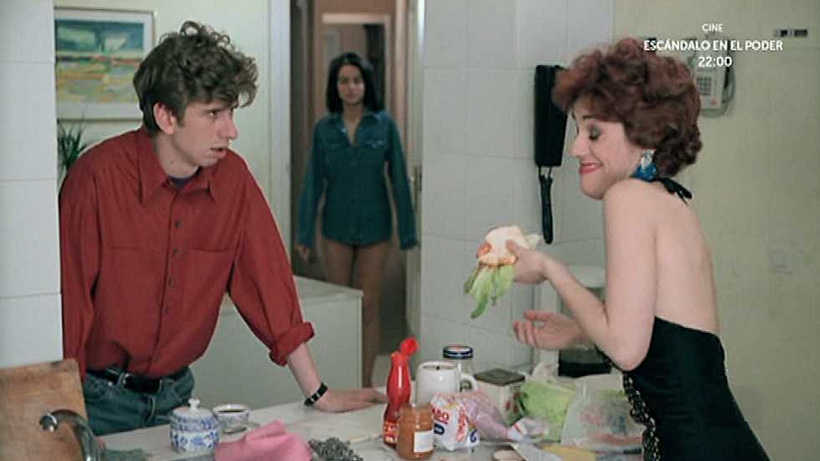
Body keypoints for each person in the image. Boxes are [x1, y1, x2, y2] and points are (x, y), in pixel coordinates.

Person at [59, 21, 383, 436]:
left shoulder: (233, 180)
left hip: (178, 399)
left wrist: (319, 392)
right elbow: (68, 309)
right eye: (213, 113)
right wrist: (65, 419)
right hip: (95, 400)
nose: (231, 130)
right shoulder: (96, 179)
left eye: (230, 112)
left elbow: (269, 285)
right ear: (166, 116)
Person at [506, 38, 769, 460]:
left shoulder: (627, 197)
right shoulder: (668, 199)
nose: (575, 148)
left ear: (645, 133)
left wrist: (550, 269)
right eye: (576, 130)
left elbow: (626, 348)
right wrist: (580, 331)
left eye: (593, 132)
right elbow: (669, 339)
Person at [296, 52, 417, 387]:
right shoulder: (324, 129)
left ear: (366, 85)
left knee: (367, 305)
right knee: (341, 306)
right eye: (344, 81)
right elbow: (312, 182)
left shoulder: (384, 124)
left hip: (376, 228)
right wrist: (304, 234)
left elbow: (398, 178)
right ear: (335, 87)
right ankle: (338, 380)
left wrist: (407, 231)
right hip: (335, 227)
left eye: (357, 81)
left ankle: (363, 382)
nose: (351, 87)